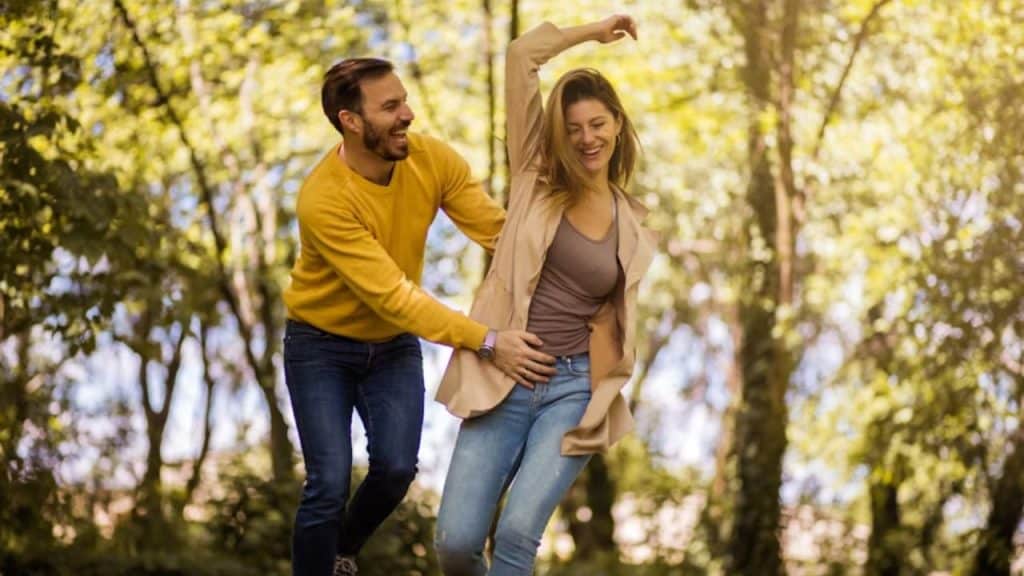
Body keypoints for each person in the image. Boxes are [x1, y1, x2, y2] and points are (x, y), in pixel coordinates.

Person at [283, 57, 556, 576]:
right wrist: (489, 340)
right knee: (328, 483)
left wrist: (573, 254)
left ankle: (339, 551)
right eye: (390, 107)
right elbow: (396, 297)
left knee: (395, 468)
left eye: (404, 100)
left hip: (390, 347)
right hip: (319, 347)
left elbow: (499, 233)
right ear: (351, 120)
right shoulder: (324, 200)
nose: (408, 114)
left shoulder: (430, 160)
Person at [433, 14, 656, 575]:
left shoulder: (632, 223)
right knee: (457, 544)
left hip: (573, 389)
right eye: (576, 127)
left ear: (617, 125)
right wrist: (593, 31)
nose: (588, 138)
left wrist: (605, 381)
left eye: (599, 124)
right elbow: (520, 57)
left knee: (515, 536)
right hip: (504, 377)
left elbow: (614, 321)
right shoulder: (535, 177)